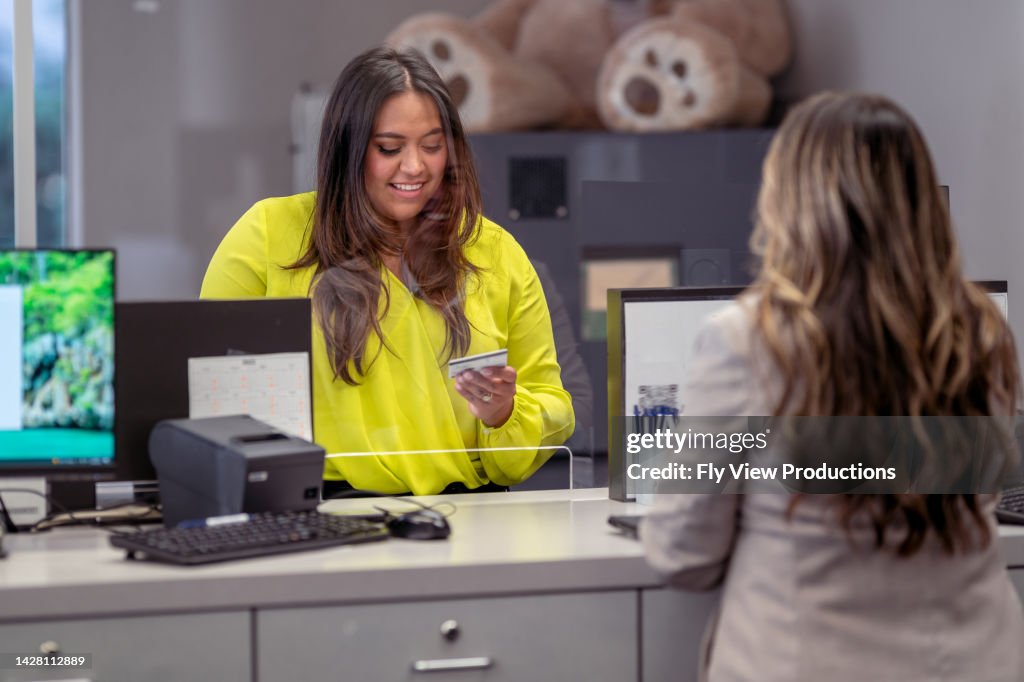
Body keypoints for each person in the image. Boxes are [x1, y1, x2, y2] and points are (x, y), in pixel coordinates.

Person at [641, 92, 1024, 681]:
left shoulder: (748, 340)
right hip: (973, 661)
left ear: (789, 202)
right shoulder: (980, 332)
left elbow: (681, 551)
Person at [200, 46, 573, 496]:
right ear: (348, 150)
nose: (415, 167)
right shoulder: (268, 237)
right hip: (321, 513)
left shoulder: (494, 253)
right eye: (389, 148)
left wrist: (503, 413)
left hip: (470, 520)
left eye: (432, 146)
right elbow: (210, 398)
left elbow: (553, 405)